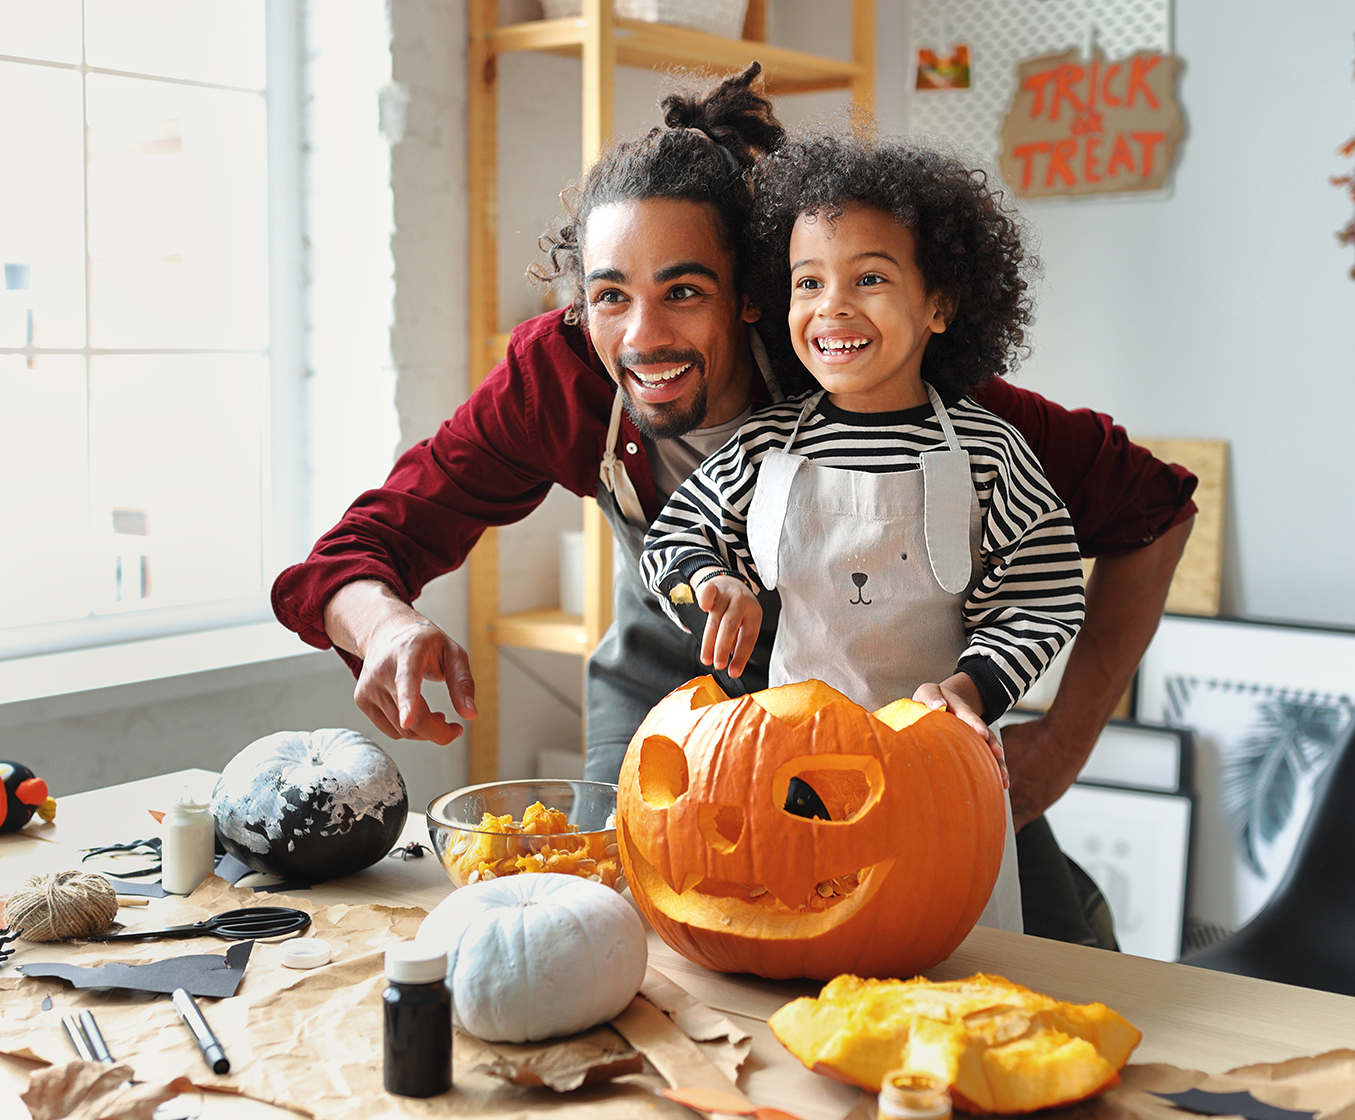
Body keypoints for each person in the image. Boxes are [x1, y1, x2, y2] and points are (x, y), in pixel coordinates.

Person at [271, 64, 1197, 949]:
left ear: (753, 296)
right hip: (670, 687)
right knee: (620, 923)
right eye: (609, 296)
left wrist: (1062, 743)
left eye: (684, 290)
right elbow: (351, 557)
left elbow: (1152, 510)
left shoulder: (878, 376)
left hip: (894, 707)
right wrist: (386, 625)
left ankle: (1073, 903)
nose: (642, 336)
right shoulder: (561, 376)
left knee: (1029, 945)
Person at [641, 132, 1083, 753]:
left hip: (935, 761)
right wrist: (712, 581)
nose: (833, 307)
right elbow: (674, 538)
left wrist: (970, 690)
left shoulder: (991, 455)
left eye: (869, 278)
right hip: (790, 764)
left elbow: (1043, 598)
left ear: (939, 304)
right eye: (809, 283)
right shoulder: (764, 448)